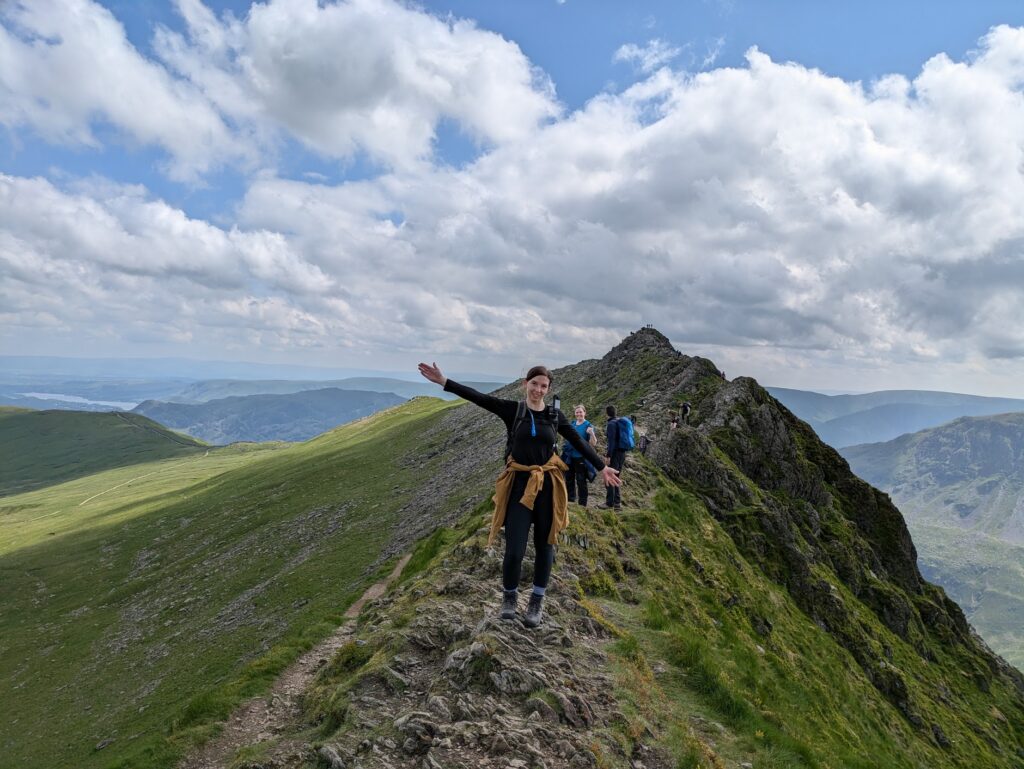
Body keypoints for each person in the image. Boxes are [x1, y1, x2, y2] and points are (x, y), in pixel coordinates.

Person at [417, 362, 620, 628]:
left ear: (548, 389)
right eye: (534, 384)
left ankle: (536, 600)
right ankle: (510, 598)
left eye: (543, 386)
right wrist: (445, 381)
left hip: (547, 485)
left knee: (545, 545)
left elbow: (578, 442)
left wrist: (602, 466)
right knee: (514, 549)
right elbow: (479, 398)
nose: (538, 389)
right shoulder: (513, 411)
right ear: (525, 384)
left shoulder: (554, 416)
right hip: (518, 485)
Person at [561, 405, 597, 507]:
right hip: (570, 457)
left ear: (585, 413)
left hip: (581, 457)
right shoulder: (572, 424)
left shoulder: (588, 425)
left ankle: (582, 504)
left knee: (581, 480)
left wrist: (592, 434)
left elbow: (593, 443)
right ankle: (570, 500)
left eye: (580, 412)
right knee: (569, 478)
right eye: (577, 412)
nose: (579, 414)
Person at [602, 405, 627, 510]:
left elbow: (611, 442)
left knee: (610, 477)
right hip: (622, 453)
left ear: (607, 413)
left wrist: (608, 456)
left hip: (615, 454)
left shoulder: (611, 424)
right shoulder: (619, 422)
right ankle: (617, 503)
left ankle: (609, 503)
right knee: (616, 477)